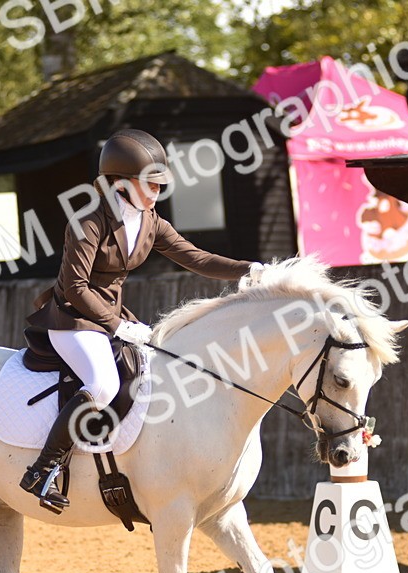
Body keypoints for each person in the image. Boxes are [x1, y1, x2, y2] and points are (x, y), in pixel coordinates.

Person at [19, 128, 264, 512]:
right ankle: (43, 470)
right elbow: (74, 288)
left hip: (113, 318)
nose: (157, 192)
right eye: (150, 184)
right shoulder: (88, 221)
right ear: (120, 184)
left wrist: (248, 270)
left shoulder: (150, 221)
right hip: (73, 318)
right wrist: (116, 326)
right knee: (101, 384)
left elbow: (196, 257)